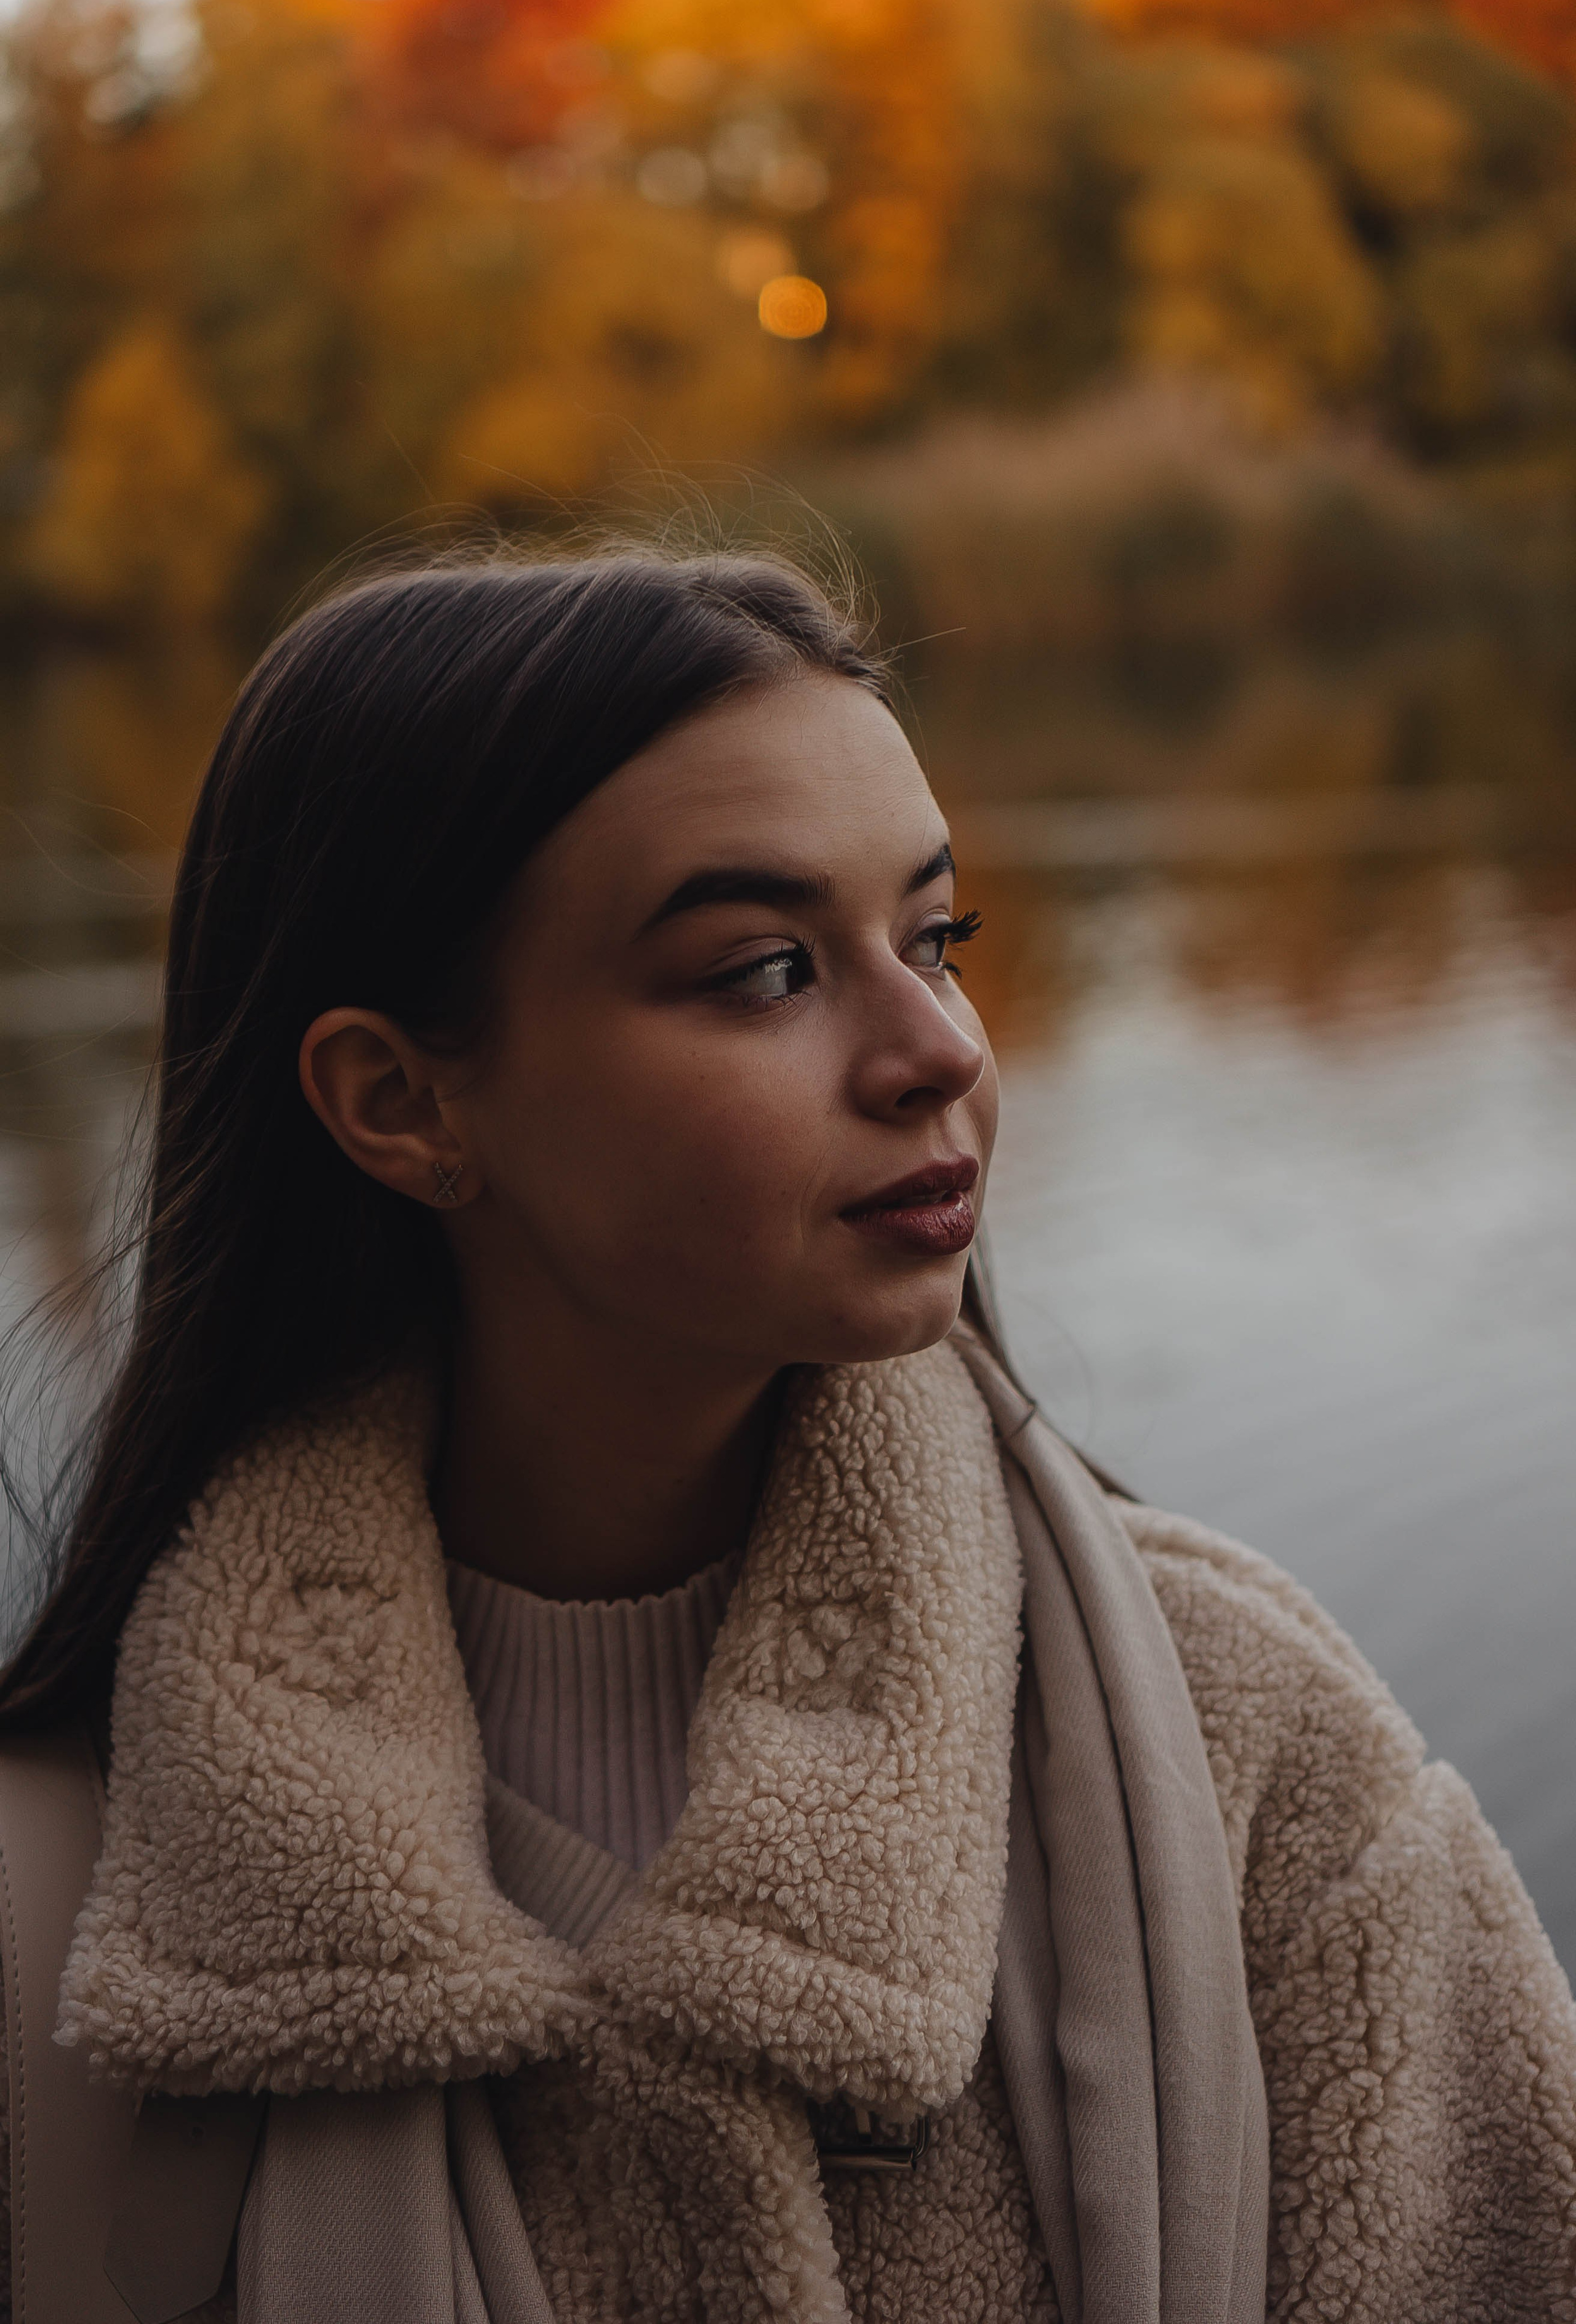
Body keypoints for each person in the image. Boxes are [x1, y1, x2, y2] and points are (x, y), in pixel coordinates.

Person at [0, 547, 1570, 2324]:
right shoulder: (68, 1916)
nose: (938, 1054)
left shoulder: (1255, 1756)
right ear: (400, 1099)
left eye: (936, 939)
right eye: (763, 970)